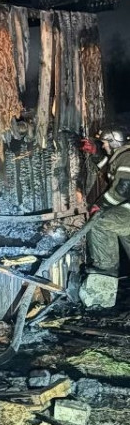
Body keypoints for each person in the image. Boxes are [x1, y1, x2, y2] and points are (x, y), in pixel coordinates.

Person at [79, 128, 130, 310]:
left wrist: (101, 205)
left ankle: (104, 274)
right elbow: (111, 170)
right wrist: (95, 154)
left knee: (99, 223)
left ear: (115, 141)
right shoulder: (122, 157)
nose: (103, 145)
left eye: (105, 143)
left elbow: (123, 188)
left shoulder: (127, 157)